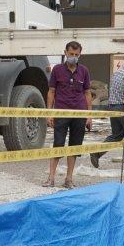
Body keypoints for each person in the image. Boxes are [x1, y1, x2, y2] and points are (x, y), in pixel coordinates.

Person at [44, 41, 92, 189]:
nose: (74, 57)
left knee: (74, 146)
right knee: (58, 144)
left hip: (79, 113)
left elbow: (87, 93)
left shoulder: (84, 71)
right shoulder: (57, 70)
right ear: (65, 53)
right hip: (61, 112)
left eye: (77, 55)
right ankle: (51, 178)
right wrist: (49, 113)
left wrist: (89, 115)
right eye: (71, 54)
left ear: (80, 54)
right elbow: (51, 91)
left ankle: (69, 179)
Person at [91, 53, 124, 172]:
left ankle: (96, 153)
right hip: (123, 108)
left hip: (112, 107)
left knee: (117, 135)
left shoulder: (117, 73)